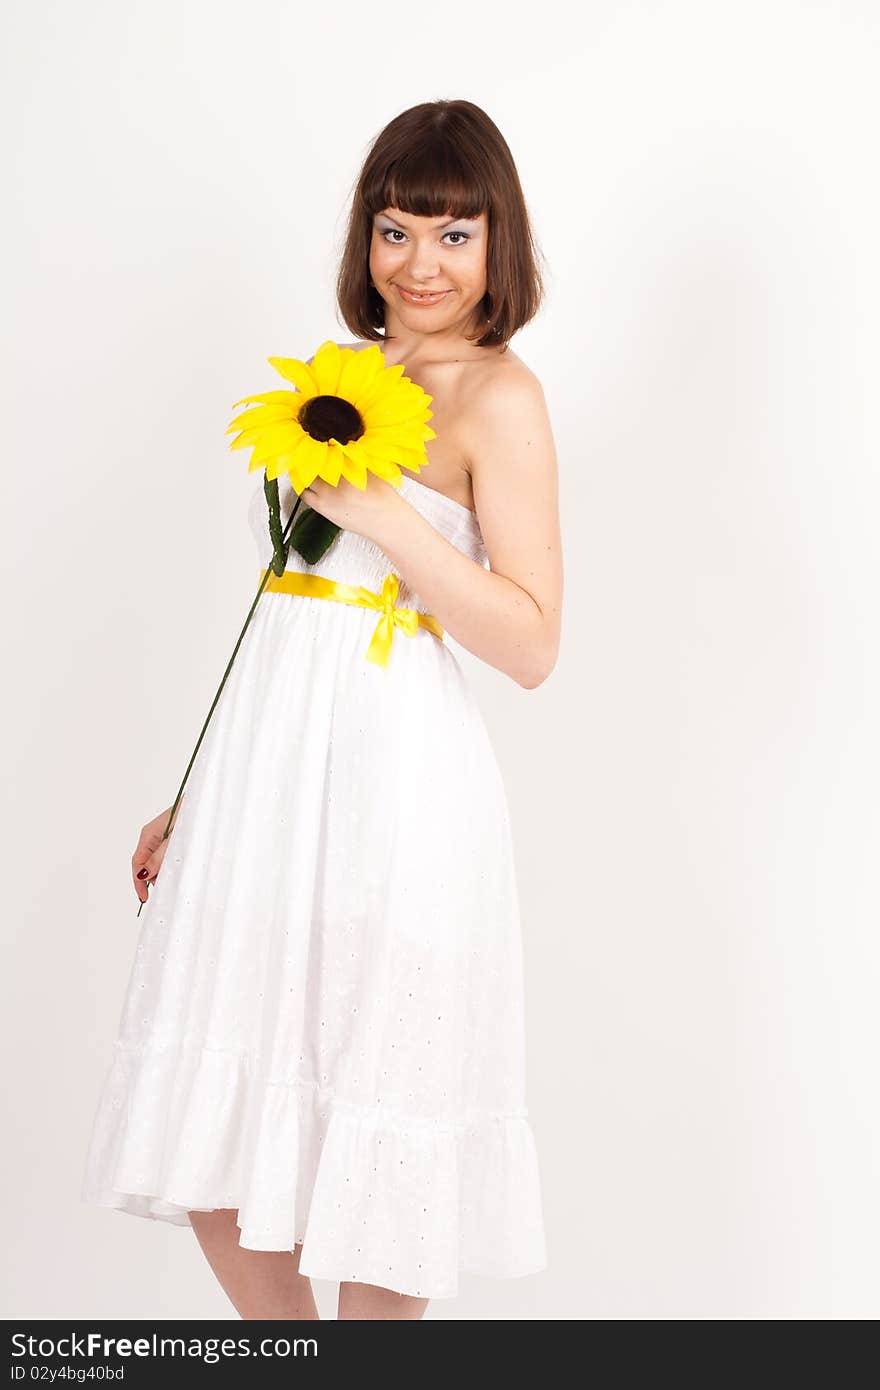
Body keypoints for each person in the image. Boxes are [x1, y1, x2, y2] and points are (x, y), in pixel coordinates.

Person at [81, 97, 563, 1321]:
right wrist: (200, 790)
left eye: (456, 238)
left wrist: (391, 516)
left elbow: (532, 641)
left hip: (393, 782)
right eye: (397, 232)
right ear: (364, 240)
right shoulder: (338, 378)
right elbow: (288, 598)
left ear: (501, 246)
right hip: (269, 774)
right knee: (227, 1152)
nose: (422, 267)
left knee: (375, 1133)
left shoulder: (501, 396)